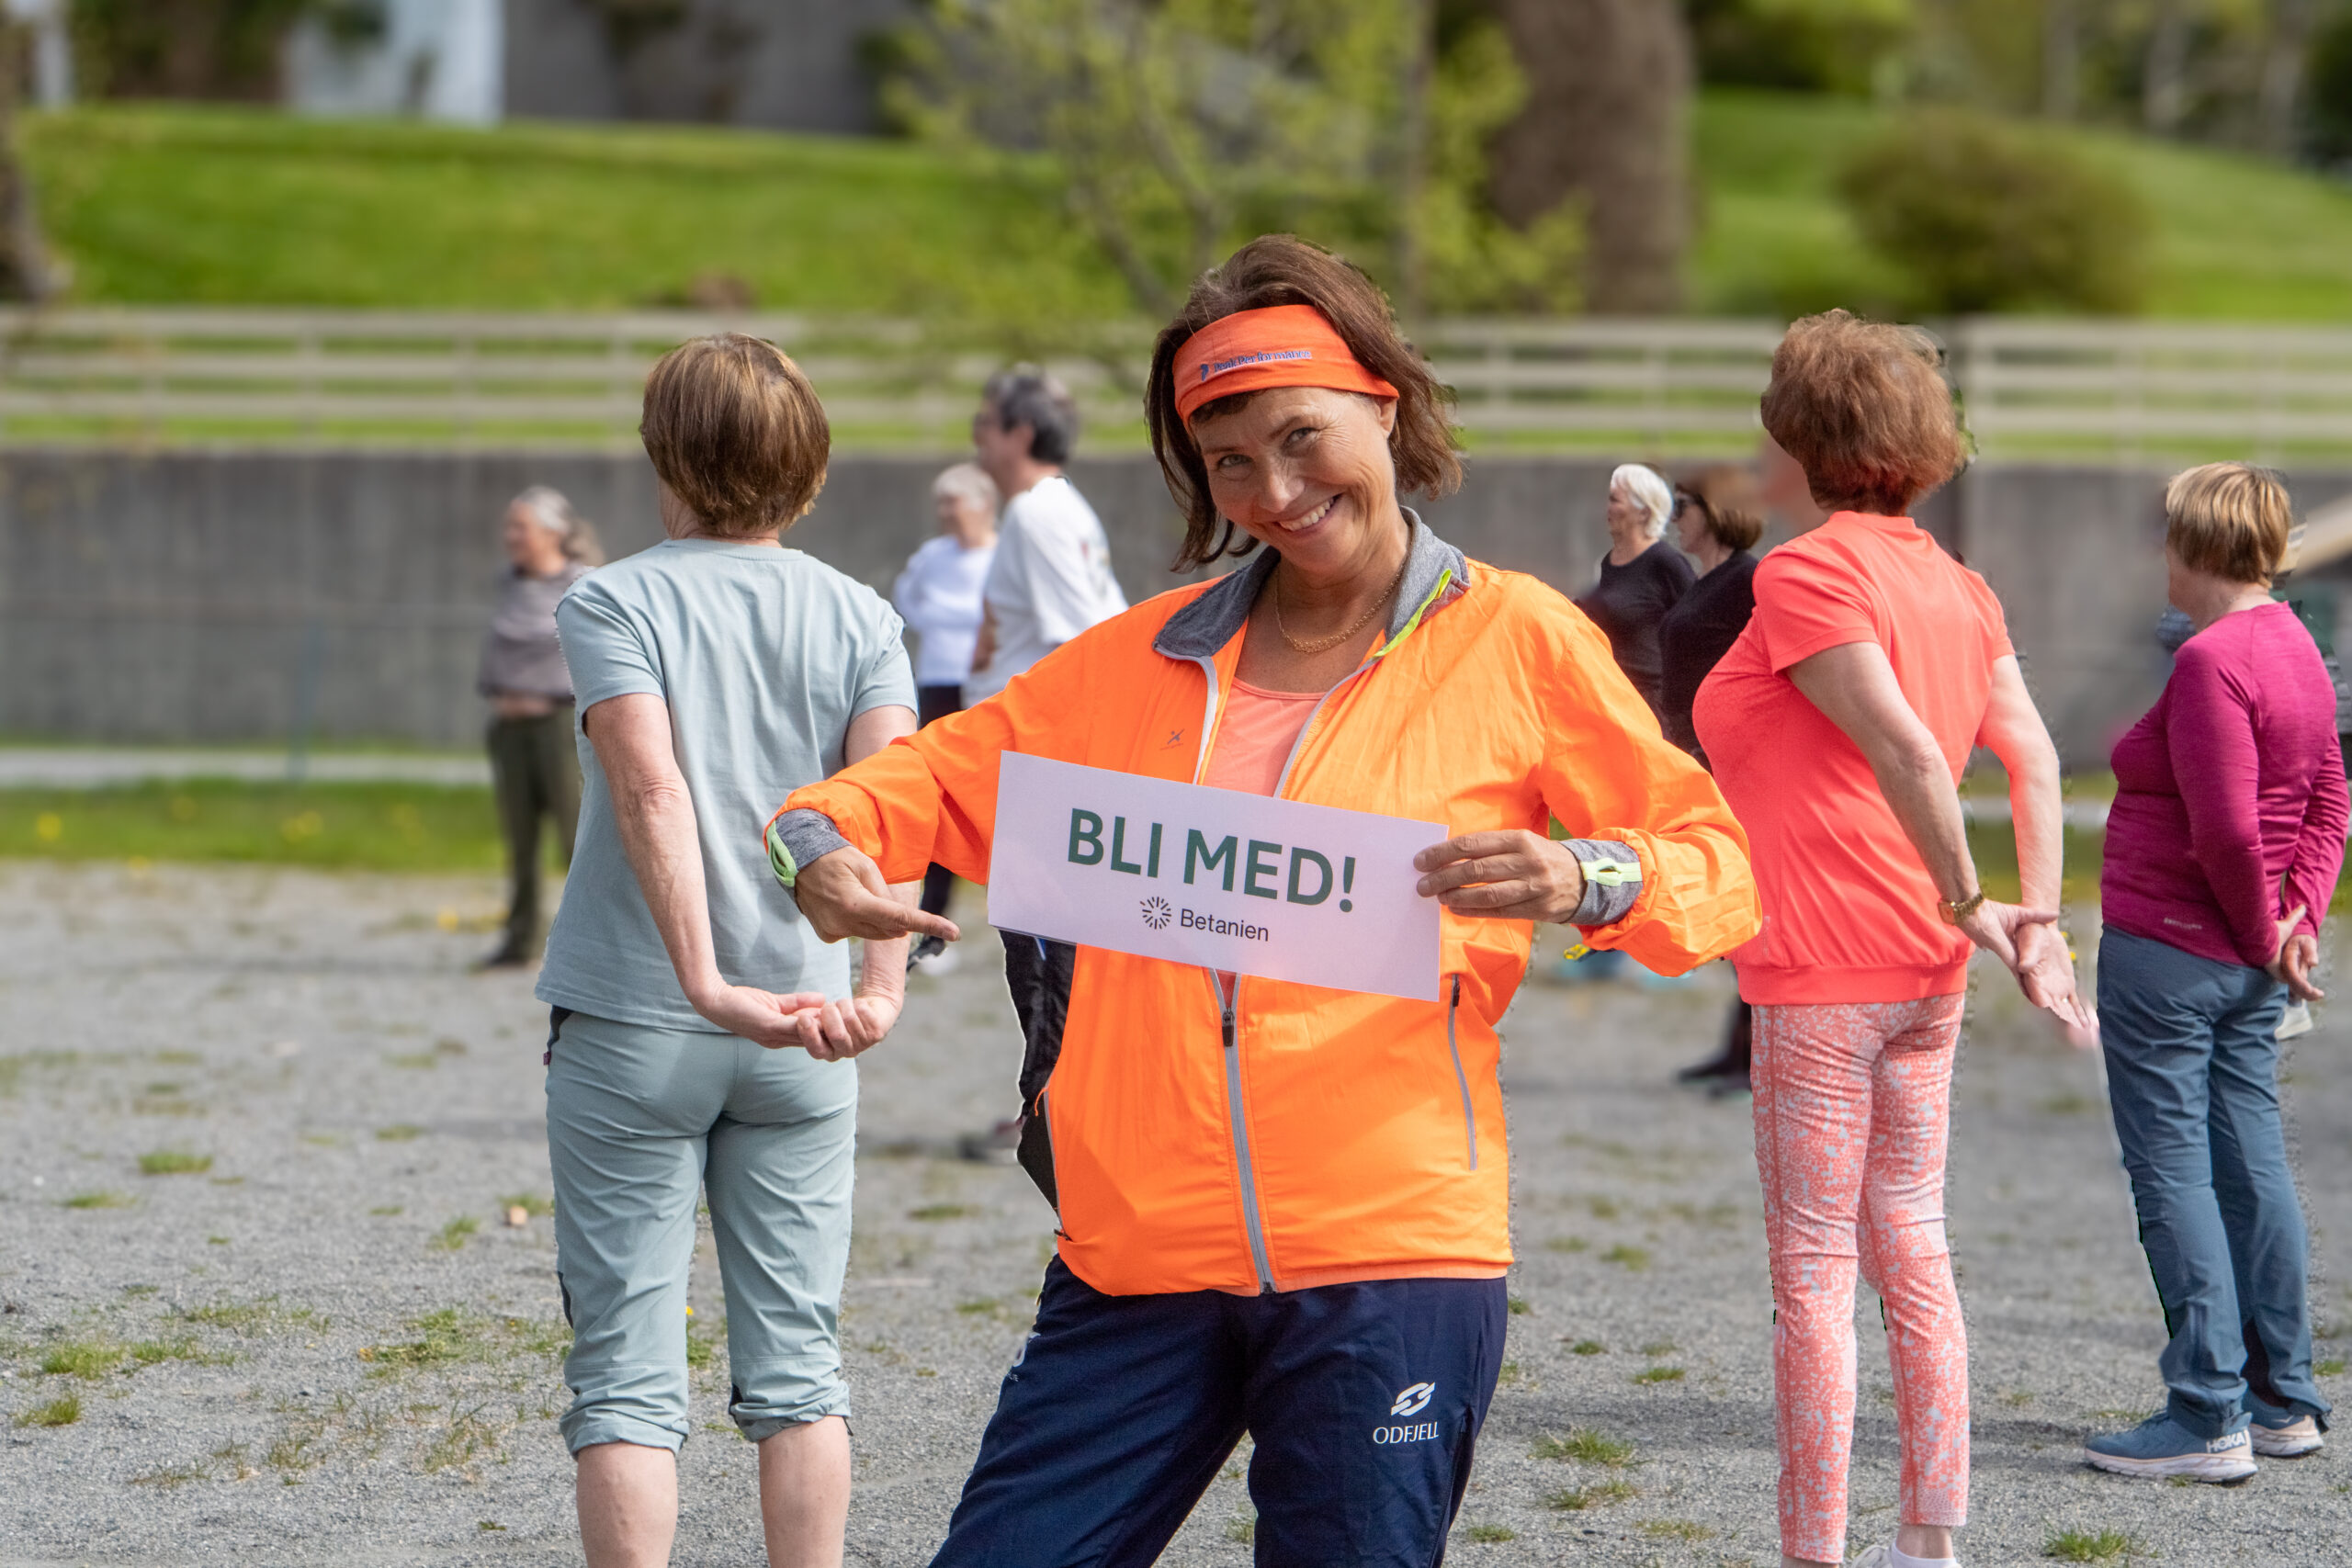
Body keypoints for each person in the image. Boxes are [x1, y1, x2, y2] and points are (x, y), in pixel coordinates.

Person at [763, 234, 1759, 1566]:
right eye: (1229, 461)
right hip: (1134, 1257)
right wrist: (817, 853)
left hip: (1392, 1251)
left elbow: (1716, 858)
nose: (1276, 491)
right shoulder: (1127, 667)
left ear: (1384, 408)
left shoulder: (1516, 637)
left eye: (1302, 437)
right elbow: (888, 789)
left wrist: (1589, 873)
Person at [1694, 310, 2092, 1568]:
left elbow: (1913, 750)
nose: (1758, 434)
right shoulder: (1959, 581)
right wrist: (2035, 919)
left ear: (1807, 438)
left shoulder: (1806, 572)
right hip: (1924, 975)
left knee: (1813, 1270)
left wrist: (1982, 902)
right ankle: (1931, 1536)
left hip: (1824, 967)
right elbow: (2028, 754)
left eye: (1771, 412)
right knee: (1911, 1242)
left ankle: (1815, 1548)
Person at [535, 333, 922, 1568]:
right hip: (810, 1026)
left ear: (665, 459)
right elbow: (891, 805)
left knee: (626, 1380)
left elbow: (651, 791)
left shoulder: (610, 599)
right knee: (801, 1369)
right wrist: (876, 988)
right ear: (807, 473)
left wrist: (704, 981)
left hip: (639, 1017)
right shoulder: (864, 614)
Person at [2084, 462, 2346, 1482]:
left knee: (2175, 1174)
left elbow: (2228, 831)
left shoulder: (2208, 662)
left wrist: (2259, 929)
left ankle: (2205, 1412)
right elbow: (2330, 802)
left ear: (2194, 549)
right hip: (2245, 959)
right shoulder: (2297, 647)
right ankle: (2284, 1398)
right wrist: (2296, 924)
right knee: (2254, 1167)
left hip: (2175, 951)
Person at [1657, 465, 1764, 1089]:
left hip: (1730, 765)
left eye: (1683, 504)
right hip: (1693, 760)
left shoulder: (1750, 580)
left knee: (1745, 901)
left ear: (1715, 509)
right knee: (1728, 905)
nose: (1674, 517)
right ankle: (1741, 1043)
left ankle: (1756, 1050)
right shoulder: (1704, 581)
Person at [477, 485, 602, 968]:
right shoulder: (510, 583)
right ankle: (520, 938)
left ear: (552, 533)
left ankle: (591, 947)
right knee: (520, 839)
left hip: (558, 728)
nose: (510, 537)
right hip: (509, 728)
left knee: (576, 839)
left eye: (520, 527)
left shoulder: (583, 584)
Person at [892, 461, 1001, 970]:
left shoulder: (1005, 556)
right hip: (936, 681)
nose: (944, 514)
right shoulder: (932, 557)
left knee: (990, 799)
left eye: (951, 503)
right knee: (936, 798)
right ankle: (933, 921)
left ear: (980, 504)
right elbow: (907, 600)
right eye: (939, 503)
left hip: (988, 686)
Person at [964, 366, 1126, 703]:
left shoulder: (1036, 512)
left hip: (1026, 740)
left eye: (985, 423)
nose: (977, 437)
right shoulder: (1059, 505)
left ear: (1021, 435)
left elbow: (1079, 641)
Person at [1575, 461, 1695, 719]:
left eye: (1615, 500)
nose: (1607, 509)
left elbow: (1698, 631)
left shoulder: (1665, 562)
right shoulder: (1609, 564)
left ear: (1643, 512)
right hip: (1611, 700)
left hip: (1651, 708)